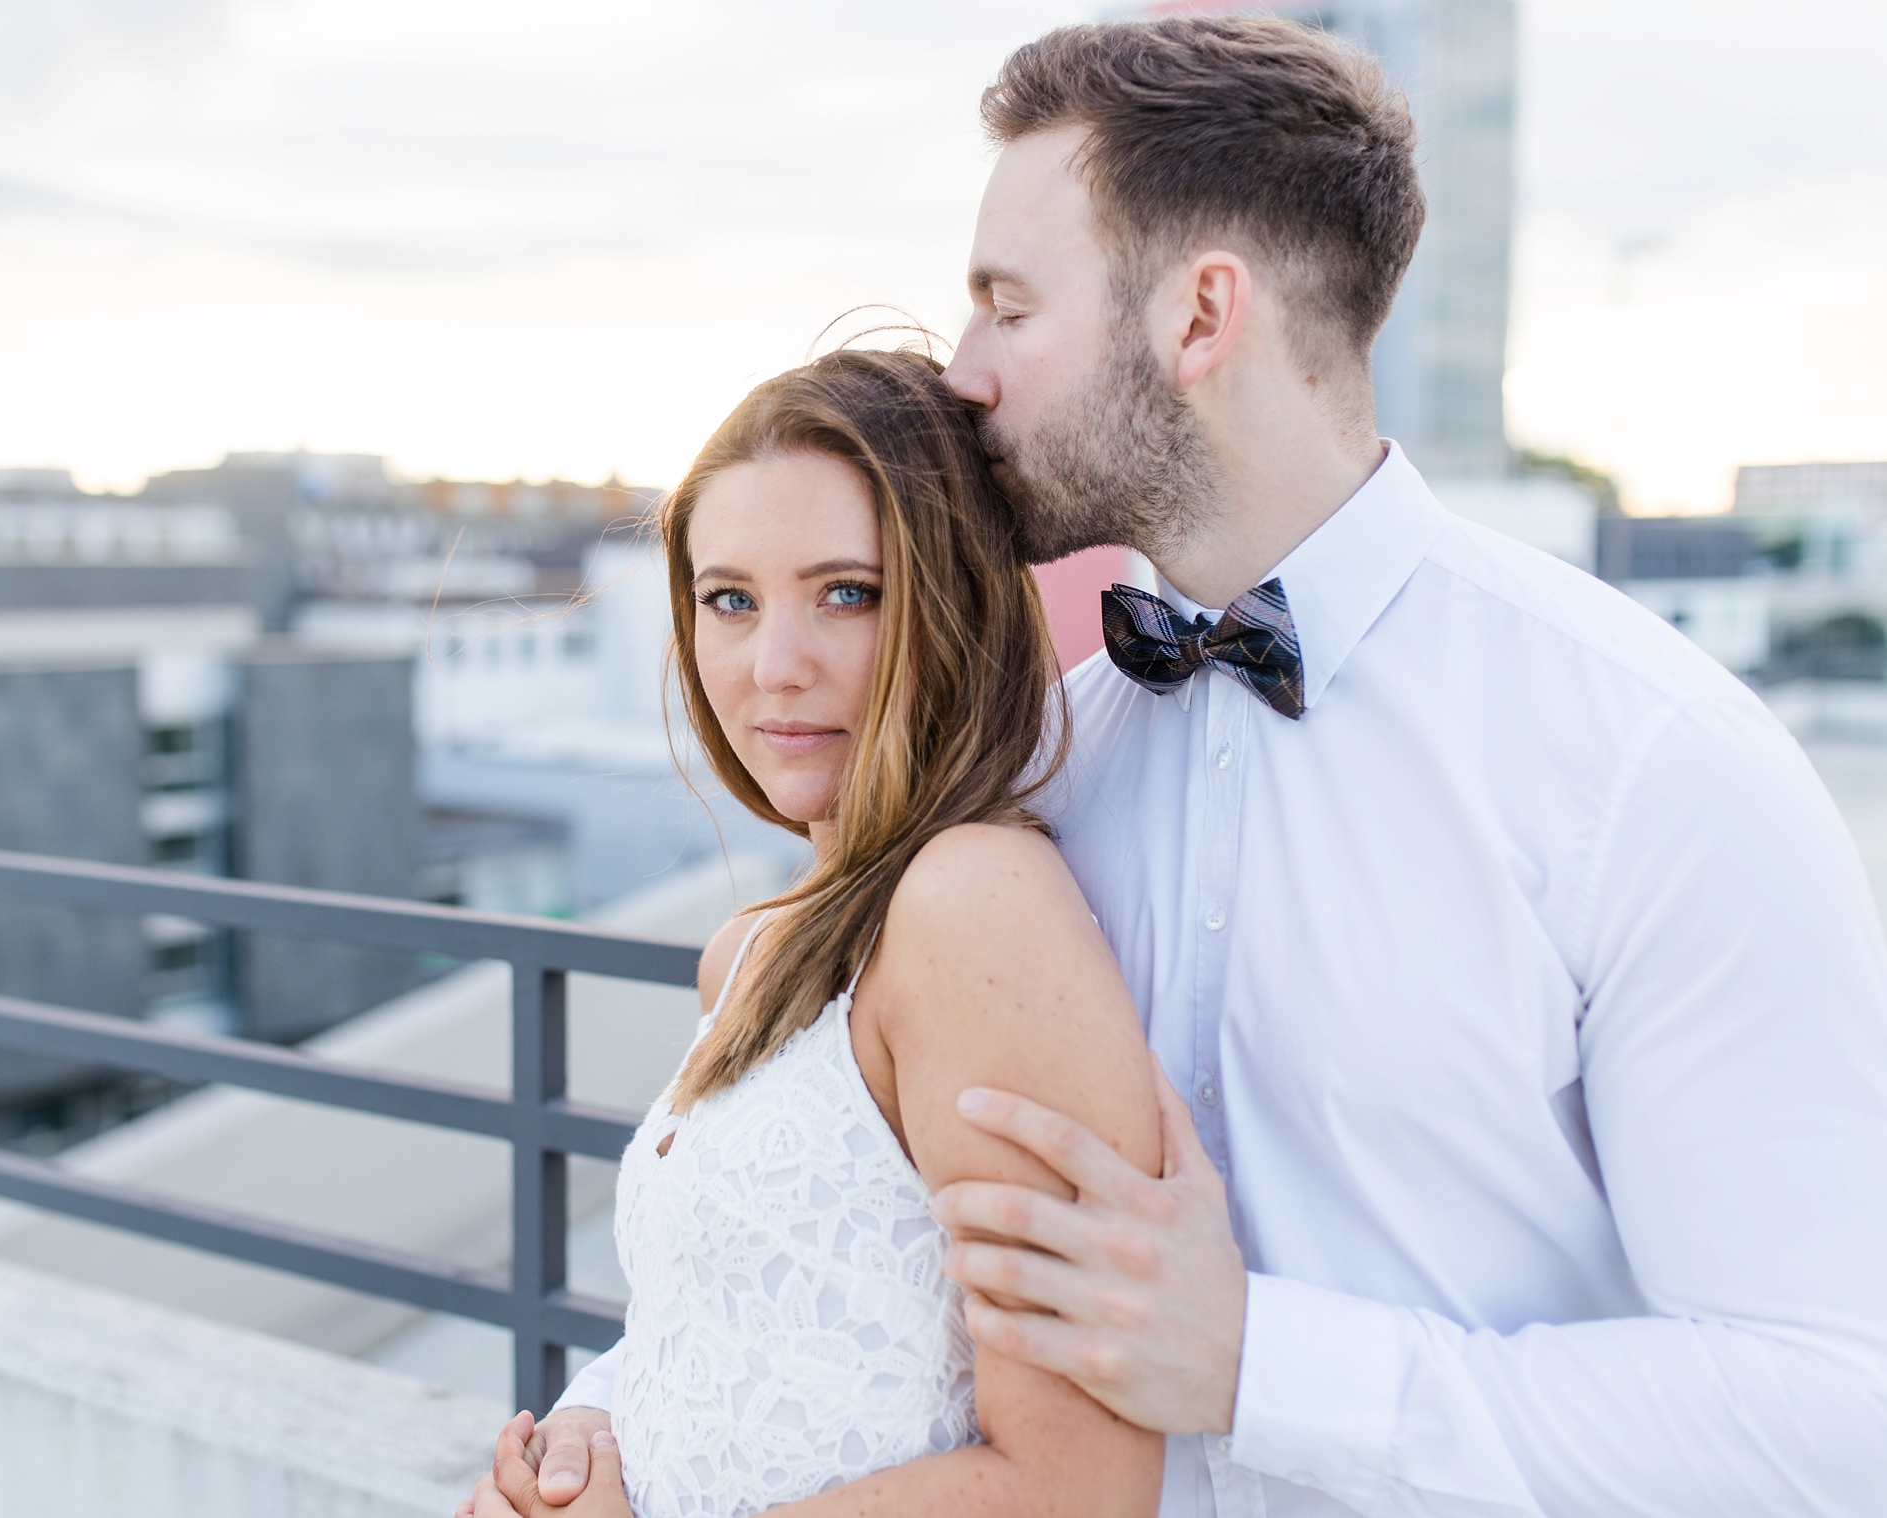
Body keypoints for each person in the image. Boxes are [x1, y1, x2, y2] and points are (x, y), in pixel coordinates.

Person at [483, 15, 1887, 1516]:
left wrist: (1263, 1362)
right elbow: (816, 1237)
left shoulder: (1648, 762)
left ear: (1201, 314)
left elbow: (1832, 1407)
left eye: (1008, 309)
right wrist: (600, 1422)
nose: (961, 375)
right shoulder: (1036, 755)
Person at [465, 347, 1169, 1518]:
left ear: (949, 603)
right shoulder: (748, 948)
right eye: (727, 599)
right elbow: (716, 1333)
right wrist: (590, 1436)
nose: (771, 668)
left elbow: (1077, 1488)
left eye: (846, 592)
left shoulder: (971, 902)